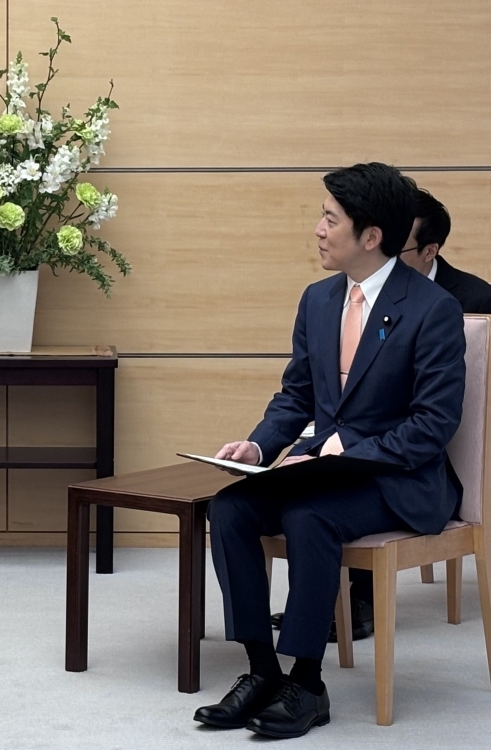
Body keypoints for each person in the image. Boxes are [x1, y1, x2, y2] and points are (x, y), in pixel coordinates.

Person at [194, 163, 465, 738]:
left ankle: (308, 683)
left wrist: (340, 450)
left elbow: (432, 426)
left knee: (308, 514)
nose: (318, 228)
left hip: (400, 479)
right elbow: (296, 396)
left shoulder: (431, 309)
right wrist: (258, 445)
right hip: (325, 470)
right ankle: (262, 671)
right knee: (230, 507)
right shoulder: (318, 300)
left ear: (371, 236)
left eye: (329, 218)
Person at [273, 186, 491, 641]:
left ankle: (333, 621)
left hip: (427, 458)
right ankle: (309, 615)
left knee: (320, 507)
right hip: (363, 449)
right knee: (251, 503)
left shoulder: (459, 301)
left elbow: (437, 417)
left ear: (429, 251)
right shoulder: (330, 298)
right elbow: (312, 394)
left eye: (401, 244)